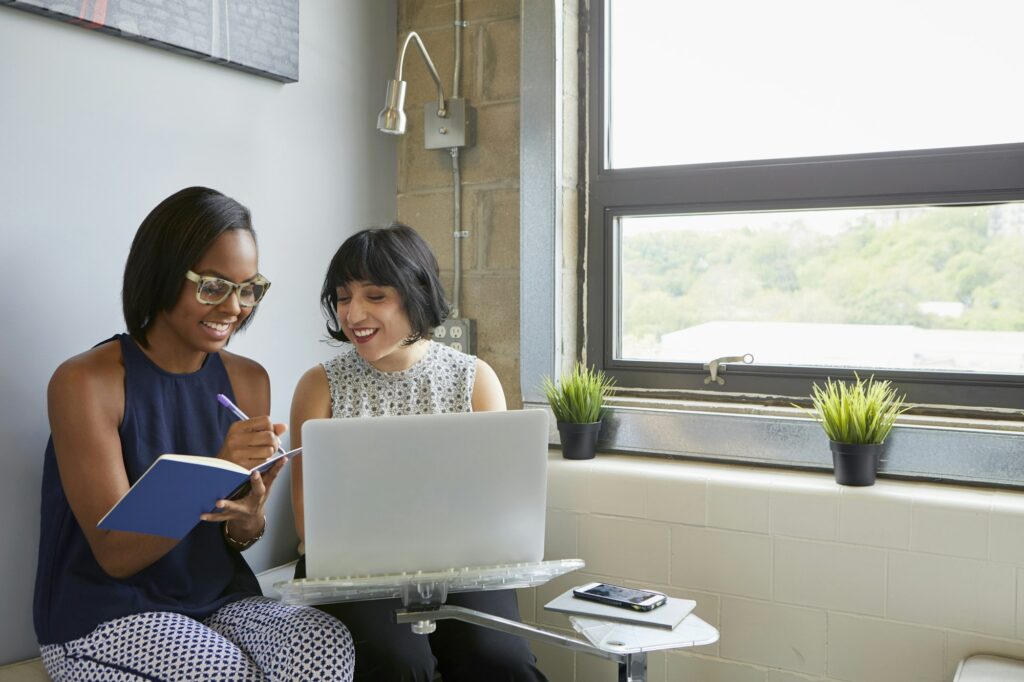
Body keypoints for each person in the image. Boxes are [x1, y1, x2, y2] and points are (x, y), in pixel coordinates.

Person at [33, 187, 354, 681]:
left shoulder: (249, 378)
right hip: (106, 612)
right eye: (212, 285)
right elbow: (116, 554)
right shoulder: (87, 382)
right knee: (220, 669)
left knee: (323, 643)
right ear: (162, 273)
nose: (234, 306)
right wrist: (216, 466)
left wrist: (247, 518)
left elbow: (235, 536)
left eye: (248, 289)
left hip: (217, 599)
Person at [290, 222, 548, 682]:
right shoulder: (319, 385)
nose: (353, 313)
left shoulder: (474, 378)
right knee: (400, 664)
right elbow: (309, 520)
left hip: (464, 563)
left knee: (501, 660)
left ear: (416, 293)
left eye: (374, 295)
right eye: (343, 297)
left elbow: (501, 506)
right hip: (354, 570)